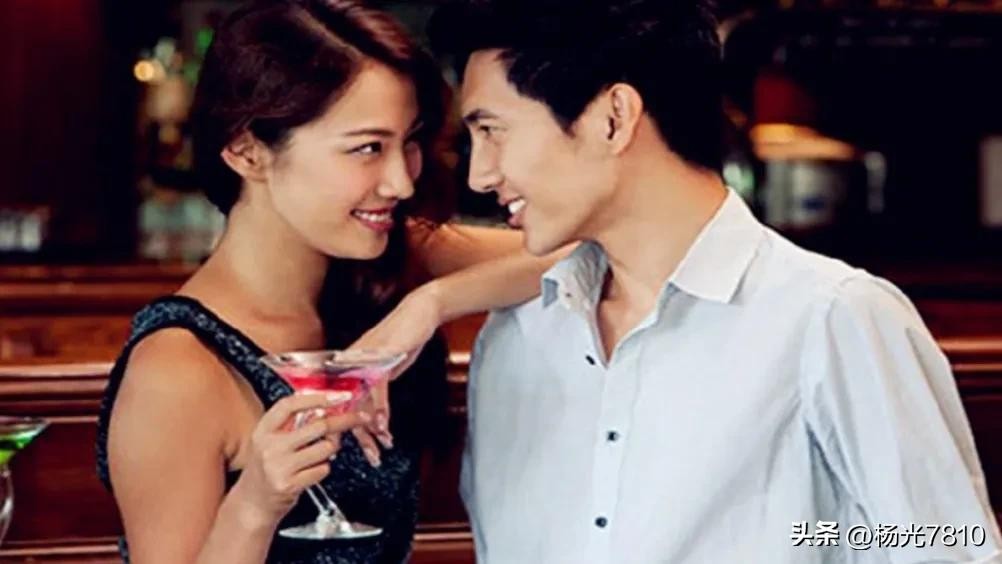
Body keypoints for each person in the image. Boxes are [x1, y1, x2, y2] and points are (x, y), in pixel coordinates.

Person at [359, 0, 1002, 562]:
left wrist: (810, 539)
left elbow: (942, 542)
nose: (480, 175)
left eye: (492, 131)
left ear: (613, 117)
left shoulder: (831, 317)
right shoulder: (519, 336)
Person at [94, 1, 555, 562]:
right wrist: (256, 504)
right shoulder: (176, 370)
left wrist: (433, 304)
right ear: (247, 151)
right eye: (367, 148)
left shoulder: (393, 256)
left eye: (408, 142)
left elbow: (592, 245)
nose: (401, 182)